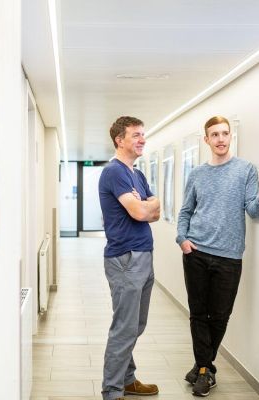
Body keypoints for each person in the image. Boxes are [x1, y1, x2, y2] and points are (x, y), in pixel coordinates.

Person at [176, 115, 259, 397]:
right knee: (198, 314)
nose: (220, 139)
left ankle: (201, 366)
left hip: (229, 256)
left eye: (224, 133)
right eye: (214, 134)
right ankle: (206, 372)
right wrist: (182, 239)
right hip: (195, 252)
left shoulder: (246, 170)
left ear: (230, 136)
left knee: (220, 315)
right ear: (206, 140)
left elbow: (254, 212)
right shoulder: (197, 174)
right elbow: (186, 210)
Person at [98, 116, 161, 400]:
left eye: (143, 134)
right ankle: (112, 391)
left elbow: (156, 210)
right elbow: (139, 213)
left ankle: (127, 379)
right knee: (124, 327)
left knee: (136, 325)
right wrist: (145, 205)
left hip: (143, 256)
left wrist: (150, 203)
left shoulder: (137, 174)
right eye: (135, 135)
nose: (142, 139)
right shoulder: (114, 172)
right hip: (126, 258)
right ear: (119, 140)